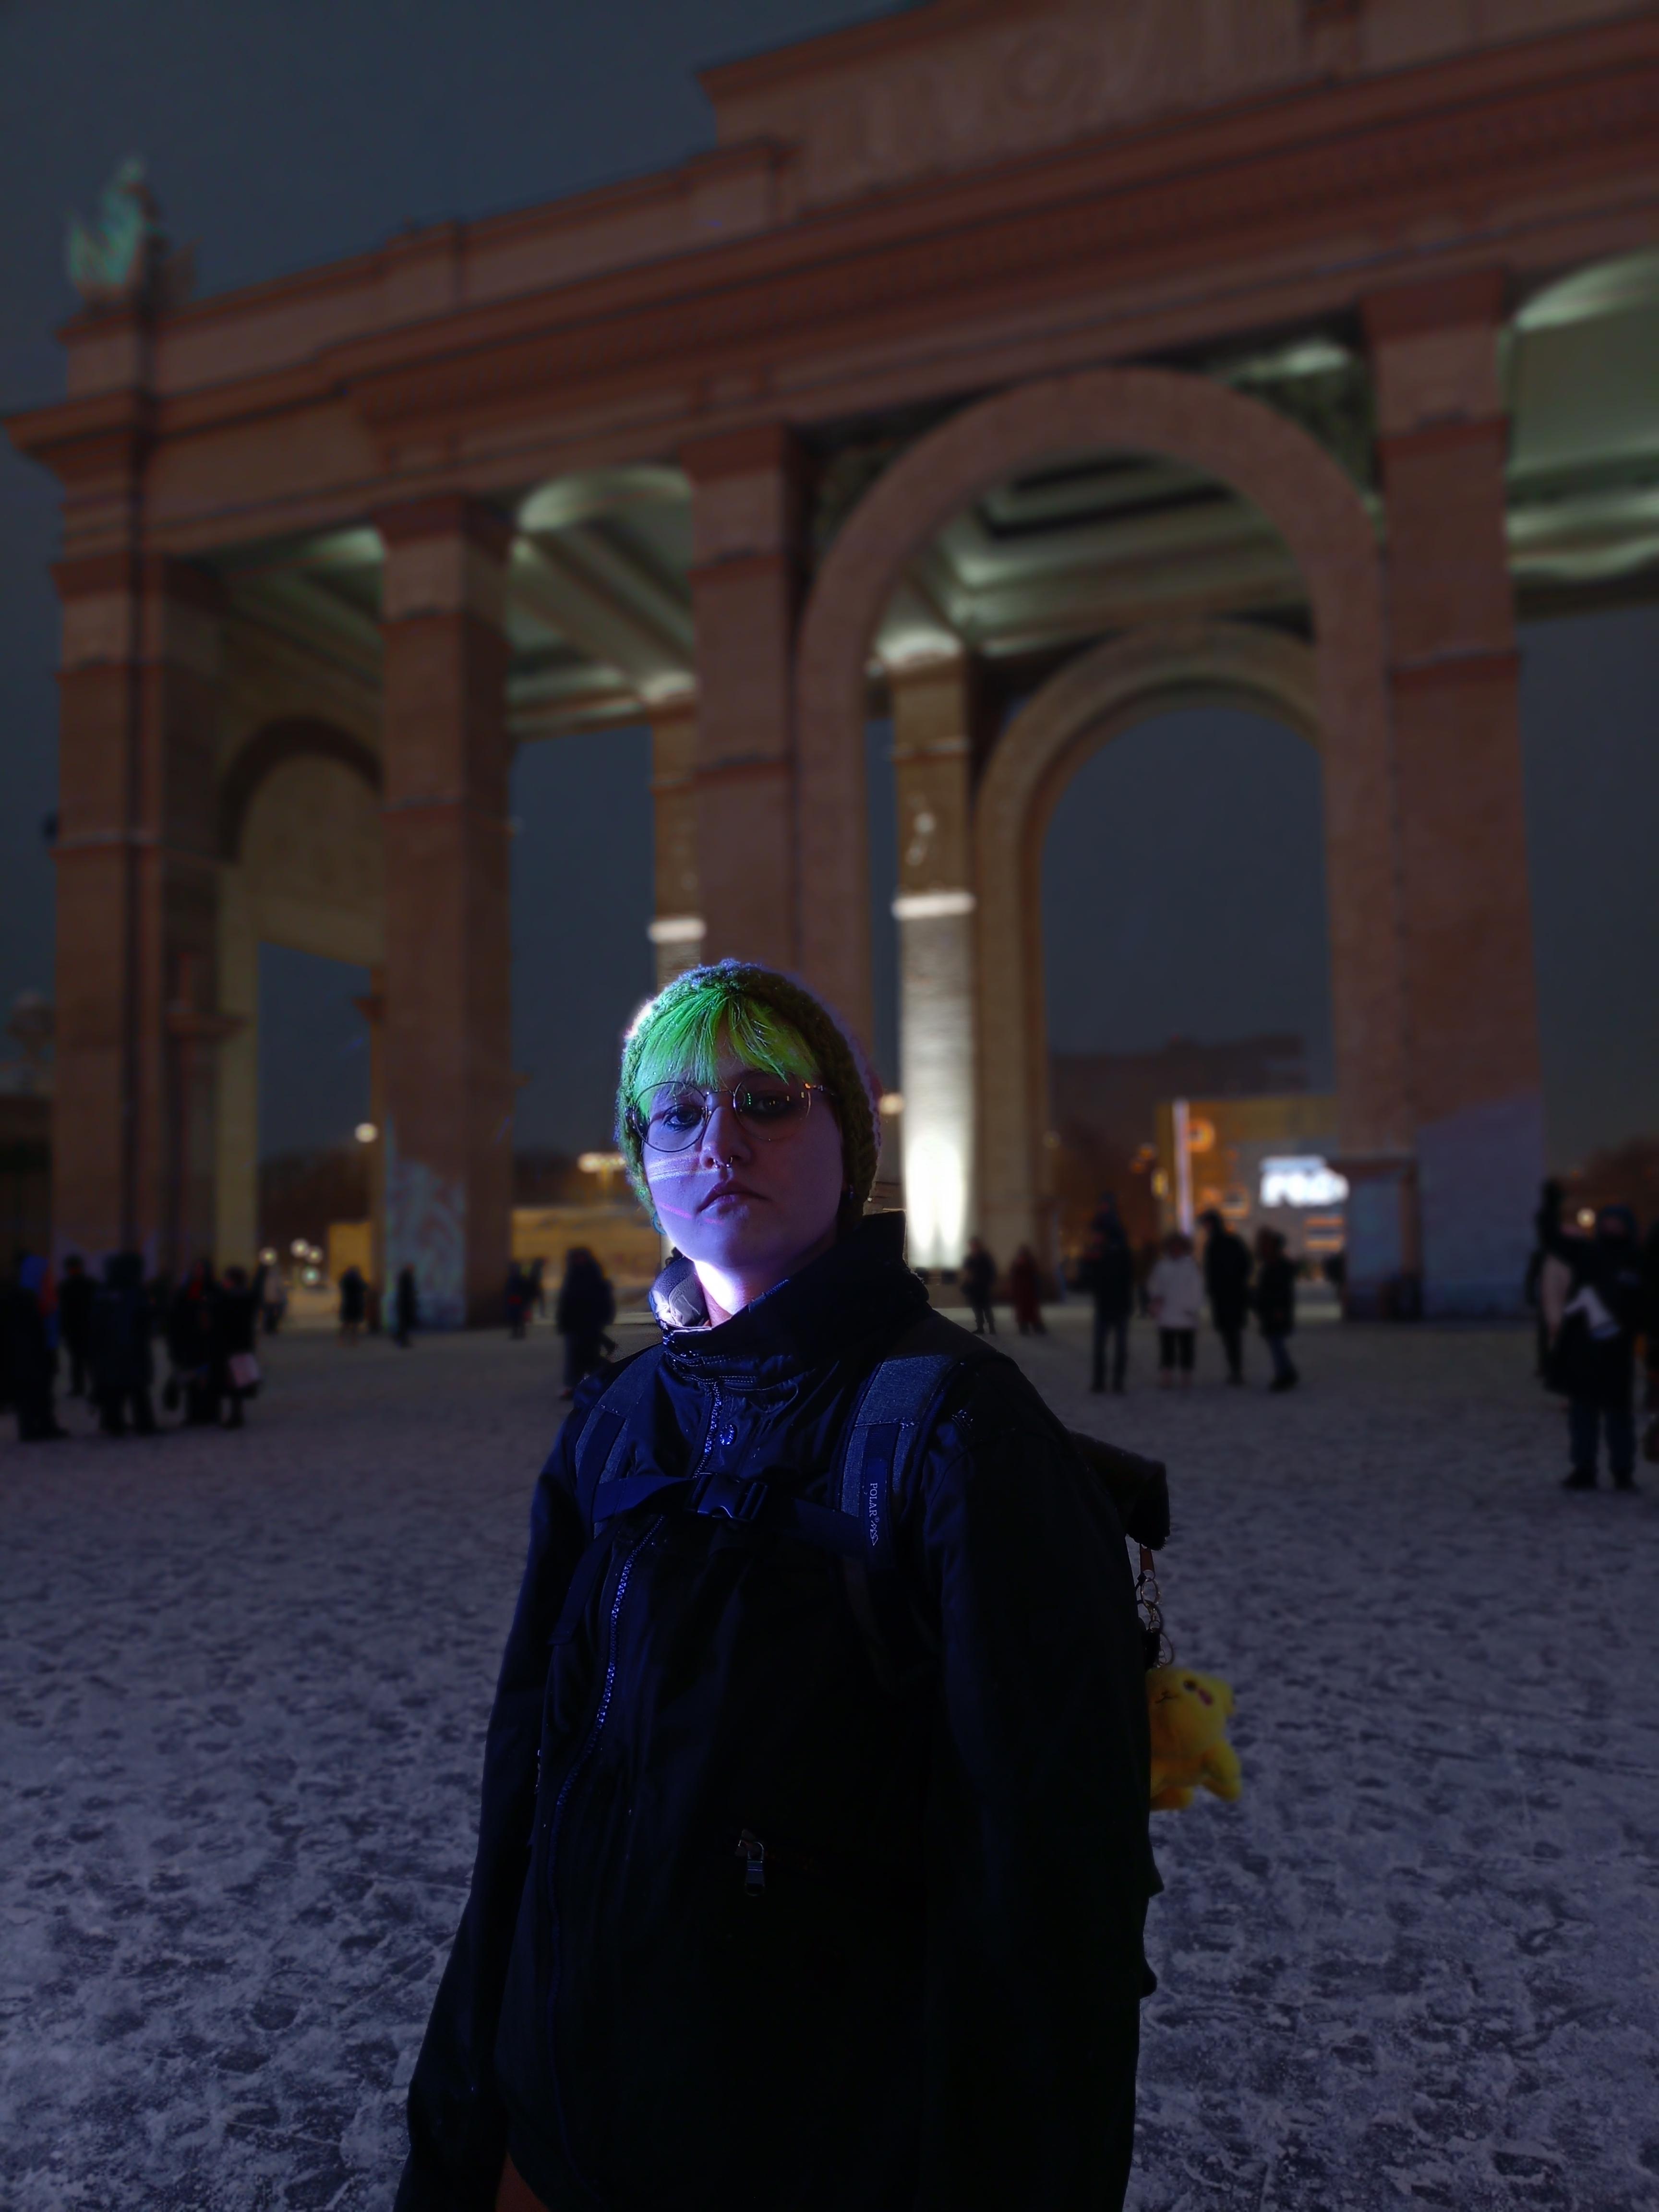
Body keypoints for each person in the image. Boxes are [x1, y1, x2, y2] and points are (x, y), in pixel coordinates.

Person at [396, 960, 1154, 2212]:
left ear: (848, 1142)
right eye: (678, 1113)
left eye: (767, 1100)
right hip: (556, 2141)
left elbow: (1050, 1910)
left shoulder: (966, 1437)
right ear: (642, 1163)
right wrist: (460, 2141)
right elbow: (523, 1805)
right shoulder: (616, 1423)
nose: (720, 1141)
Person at [1552, 1204, 1643, 1490]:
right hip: (1585, 1347)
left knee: (1619, 1415)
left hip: (1618, 1349)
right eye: (1609, 1222)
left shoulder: (1637, 1259)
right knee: (1583, 1412)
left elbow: (1644, 1301)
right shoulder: (1588, 1254)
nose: (1613, 1228)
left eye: (1618, 1223)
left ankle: (1622, 1471)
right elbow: (1557, 1245)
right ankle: (1584, 1468)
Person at [89, 1251, 157, 1436]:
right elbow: (144, 1317)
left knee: (115, 1387)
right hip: (131, 1347)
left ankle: (113, 1422)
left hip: (110, 1348)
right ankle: (142, 1423)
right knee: (137, 1388)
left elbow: (96, 1321)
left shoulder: (105, 1291)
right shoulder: (135, 1291)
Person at [2, 1255, 66, 1441]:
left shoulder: (25, 1294)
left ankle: (40, 1425)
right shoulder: (24, 1297)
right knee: (31, 1390)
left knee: (38, 1390)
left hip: (31, 1350)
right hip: (29, 1351)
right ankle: (33, 1427)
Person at [1084, 1195, 1134, 1395]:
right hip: (1105, 1303)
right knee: (1101, 1346)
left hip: (1118, 1303)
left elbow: (1125, 1275)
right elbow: (1089, 1278)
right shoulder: (1102, 1247)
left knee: (1118, 1347)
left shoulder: (1117, 1245)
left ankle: (1116, 1382)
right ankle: (1101, 1381)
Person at [1200, 1207, 1253, 1385]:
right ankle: (1235, 1369)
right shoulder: (1228, 1242)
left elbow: (1244, 1265)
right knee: (1231, 1335)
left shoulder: (1218, 1244)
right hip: (1229, 1295)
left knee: (1231, 1335)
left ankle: (1235, 1370)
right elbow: (1246, 1264)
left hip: (1228, 1296)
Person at [554, 1244, 614, 1399]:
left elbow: (602, 1300)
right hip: (575, 1324)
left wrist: (603, 1317)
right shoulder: (572, 1277)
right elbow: (566, 1301)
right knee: (578, 1357)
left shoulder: (593, 1276)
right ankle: (576, 1385)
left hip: (589, 1323)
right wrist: (563, 1321)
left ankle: (606, 1379)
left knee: (587, 1356)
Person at [1148, 1229, 1203, 1388]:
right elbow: (1154, 1285)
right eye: (1173, 1246)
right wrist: (1156, 1300)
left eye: (1178, 1246)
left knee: (1186, 1348)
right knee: (1167, 1348)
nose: (1175, 1249)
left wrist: (1192, 1307)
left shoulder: (1190, 1267)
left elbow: (1197, 1289)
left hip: (1186, 1314)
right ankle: (1167, 1376)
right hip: (1167, 1313)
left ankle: (1186, 1376)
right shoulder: (1162, 1266)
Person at [167, 1261, 220, 1423]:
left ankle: (210, 1413)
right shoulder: (188, 1291)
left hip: (209, 1342)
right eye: (196, 1270)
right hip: (192, 1343)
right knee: (193, 1379)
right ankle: (194, 1414)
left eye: (201, 1270)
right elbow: (176, 1318)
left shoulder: (213, 1290)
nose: (199, 1273)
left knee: (209, 1379)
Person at [216, 1264, 261, 1429]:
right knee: (239, 1379)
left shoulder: (231, 1297)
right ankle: (237, 1414)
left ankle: (235, 1416)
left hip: (232, 1343)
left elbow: (223, 1320)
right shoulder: (245, 1295)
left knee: (234, 1380)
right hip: (243, 1342)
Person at [1254, 1227, 1299, 1393]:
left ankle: (1284, 1375)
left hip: (1275, 1310)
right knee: (1276, 1343)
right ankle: (1287, 1372)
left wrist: (1278, 1308)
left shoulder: (1277, 1265)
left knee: (1276, 1343)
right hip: (1271, 1310)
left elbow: (1280, 1291)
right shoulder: (1274, 1264)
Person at [58, 1252, 95, 1399]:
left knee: (80, 1361)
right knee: (83, 1361)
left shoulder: (66, 1286)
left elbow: (63, 1310)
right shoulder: (89, 1284)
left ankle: (81, 1387)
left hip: (79, 1329)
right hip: (82, 1328)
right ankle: (84, 1387)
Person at [961, 1234, 997, 1334]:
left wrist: (989, 1282)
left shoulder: (985, 1257)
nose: (973, 1247)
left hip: (983, 1286)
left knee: (986, 1307)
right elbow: (968, 1272)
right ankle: (980, 1327)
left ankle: (991, 1326)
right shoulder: (970, 1258)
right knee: (976, 1308)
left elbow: (991, 1271)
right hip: (974, 1287)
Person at [1008, 1242, 1045, 1334]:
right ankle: (1024, 1327)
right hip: (1021, 1292)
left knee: (1032, 1311)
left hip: (1030, 1292)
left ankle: (1036, 1326)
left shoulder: (1031, 1265)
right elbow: (1013, 1278)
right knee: (1022, 1311)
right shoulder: (1016, 1266)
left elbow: (1036, 1278)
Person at [338, 1263, 367, 1346]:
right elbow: (365, 1287)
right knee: (354, 1323)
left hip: (348, 1303)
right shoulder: (358, 1280)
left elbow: (342, 1287)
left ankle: (342, 1339)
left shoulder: (345, 1279)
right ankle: (353, 1340)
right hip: (356, 1303)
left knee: (347, 1322)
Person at [394, 1264, 420, 1349]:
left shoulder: (405, 1276)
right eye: (412, 1269)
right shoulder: (407, 1277)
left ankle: (400, 1338)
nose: (413, 1271)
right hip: (406, 1305)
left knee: (403, 1324)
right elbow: (409, 1293)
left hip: (403, 1304)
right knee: (404, 1324)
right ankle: (402, 1340)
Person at [505, 1261, 531, 1341]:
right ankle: (518, 1332)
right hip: (515, 1299)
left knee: (517, 1316)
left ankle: (518, 1332)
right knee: (516, 1317)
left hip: (517, 1299)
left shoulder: (515, 1278)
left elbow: (522, 1289)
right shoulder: (516, 1278)